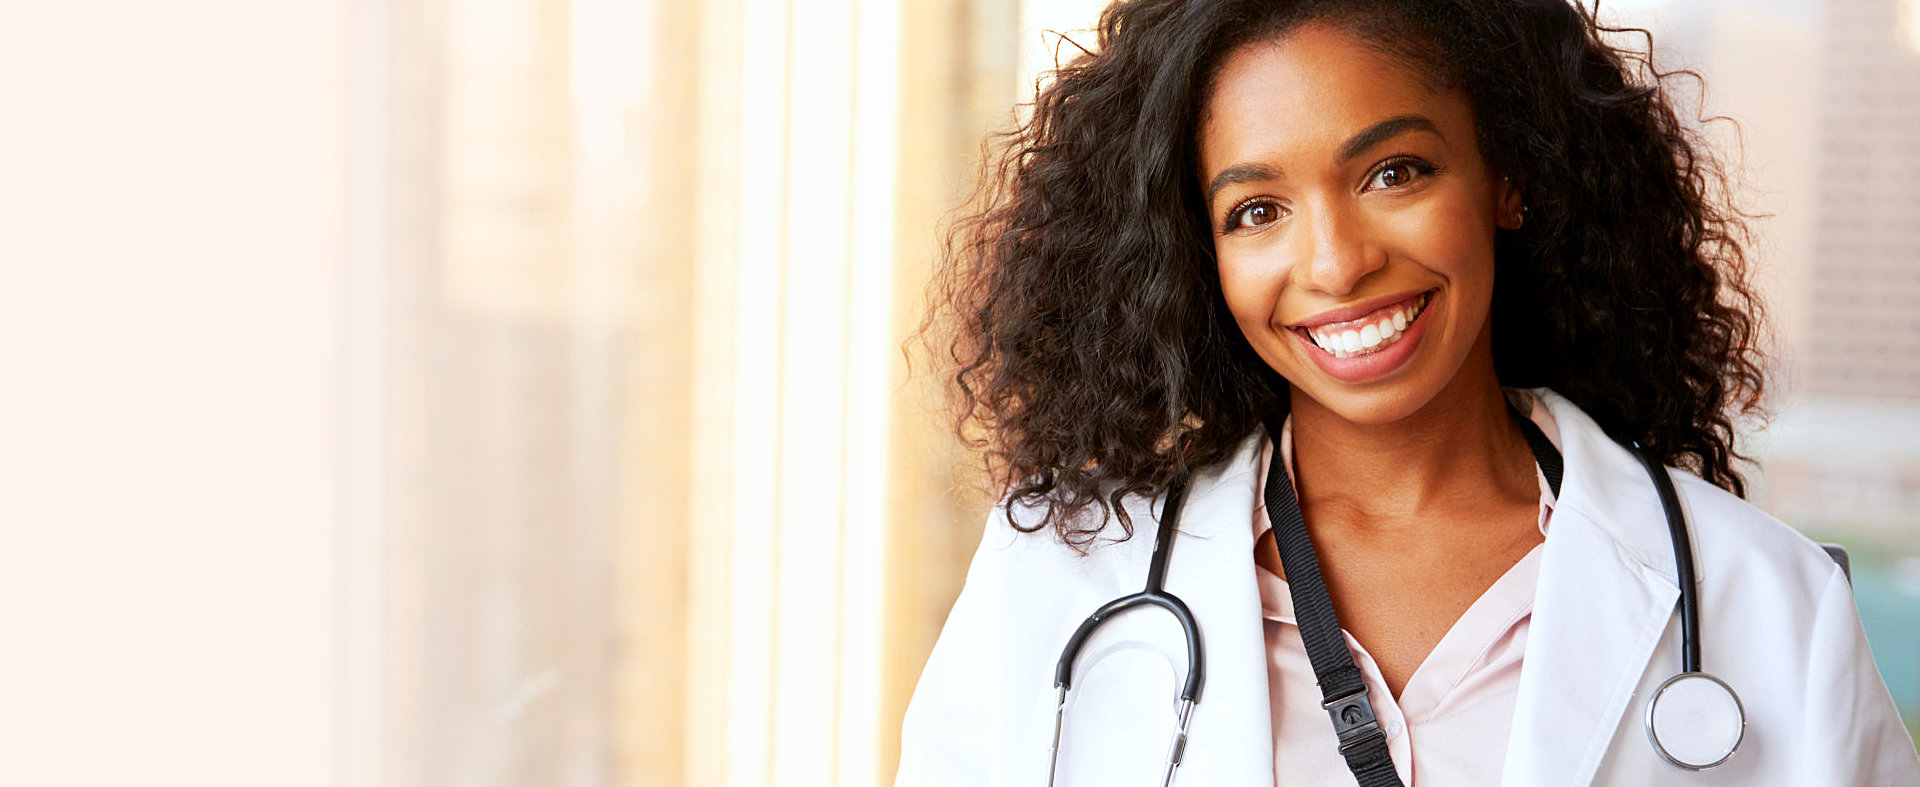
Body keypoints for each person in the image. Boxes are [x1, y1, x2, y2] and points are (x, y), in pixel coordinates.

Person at [896, 0, 1920, 784]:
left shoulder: (1772, 606)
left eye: (1393, 173)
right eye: (1257, 209)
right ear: (1195, 252)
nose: (1336, 263)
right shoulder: (1060, 579)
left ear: (1506, 176)